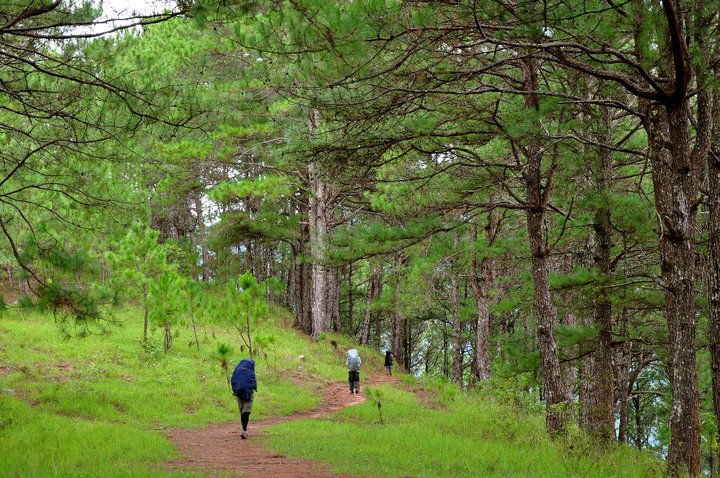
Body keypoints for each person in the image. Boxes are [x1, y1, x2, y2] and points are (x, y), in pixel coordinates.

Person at [231, 358, 257, 439]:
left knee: (242, 411)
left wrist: (235, 390)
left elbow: (233, 380)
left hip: (238, 393)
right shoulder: (250, 371)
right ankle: (244, 430)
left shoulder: (237, 369)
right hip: (248, 393)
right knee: (246, 412)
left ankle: (244, 429)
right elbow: (254, 382)